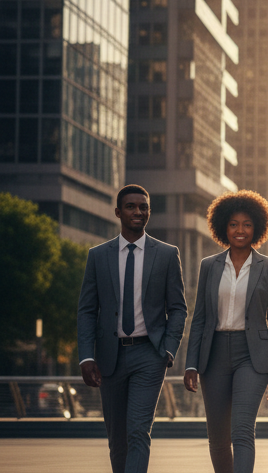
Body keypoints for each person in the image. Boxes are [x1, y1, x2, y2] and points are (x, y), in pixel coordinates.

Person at [77, 184, 188, 473]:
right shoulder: (98, 256)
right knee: (117, 438)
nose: (138, 211)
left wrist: (167, 349)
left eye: (143, 207)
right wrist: (87, 356)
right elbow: (87, 310)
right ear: (118, 212)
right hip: (109, 357)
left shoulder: (166, 254)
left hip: (149, 355)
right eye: (131, 206)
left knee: (139, 431)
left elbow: (178, 308)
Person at [183, 190, 268, 473]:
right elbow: (200, 318)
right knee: (217, 437)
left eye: (247, 224)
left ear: (258, 228)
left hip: (252, 357)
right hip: (213, 354)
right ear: (222, 227)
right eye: (234, 224)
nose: (240, 230)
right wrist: (191, 363)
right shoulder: (209, 266)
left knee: (242, 430)